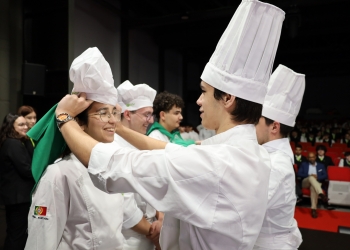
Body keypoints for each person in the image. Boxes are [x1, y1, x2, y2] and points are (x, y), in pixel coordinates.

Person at [54, 1, 285, 249]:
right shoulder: (253, 154)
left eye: (204, 92)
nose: (198, 101)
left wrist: (64, 118)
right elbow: (170, 151)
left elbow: (112, 166)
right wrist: (120, 128)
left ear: (228, 98)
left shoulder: (216, 164)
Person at [25, 48, 151, 250]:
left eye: (113, 113)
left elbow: (115, 235)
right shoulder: (59, 174)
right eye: (103, 113)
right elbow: (41, 242)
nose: (112, 121)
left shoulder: (110, 166)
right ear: (80, 123)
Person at [254, 65, 304, 249]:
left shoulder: (276, 164)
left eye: (256, 120)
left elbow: (246, 208)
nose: (252, 125)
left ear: (274, 127)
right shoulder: (270, 155)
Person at [114, 80, 161, 250]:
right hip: (130, 238)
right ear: (127, 114)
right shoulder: (116, 147)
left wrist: (160, 219)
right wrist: (155, 232)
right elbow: (125, 209)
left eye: (151, 114)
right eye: (146, 114)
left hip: (149, 231)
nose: (151, 120)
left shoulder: (141, 143)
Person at [0, 114, 34, 250]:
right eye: (21, 125)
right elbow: (27, 170)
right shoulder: (13, 144)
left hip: (15, 197)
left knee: (15, 233)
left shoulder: (11, 142)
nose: (26, 127)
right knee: (17, 235)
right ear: (11, 127)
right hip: (18, 198)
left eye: (26, 124)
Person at [297, 152, 328, 218]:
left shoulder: (321, 165)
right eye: (310, 157)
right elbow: (299, 174)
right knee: (311, 178)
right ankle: (321, 194)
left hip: (316, 183)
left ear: (315, 157)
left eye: (313, 157)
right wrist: (310, 175)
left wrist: (317, 177)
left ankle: (313, 209)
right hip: (306, 182)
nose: (312, 159)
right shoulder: (304, 164)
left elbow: (325, 175)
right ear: (307, 158)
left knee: (313, 187)